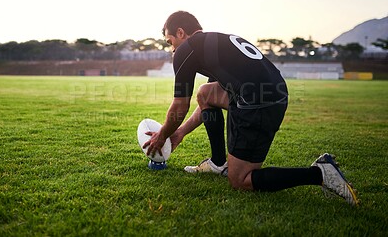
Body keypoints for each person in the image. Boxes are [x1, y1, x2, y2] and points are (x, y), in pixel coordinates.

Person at [144, 11, 359, 205]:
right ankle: (218, 163)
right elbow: (205, 101)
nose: (171, 49)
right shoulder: (214, 42)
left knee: (240, 180)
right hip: (270, 94)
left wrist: (163, 134)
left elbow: (180, 105)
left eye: (170, 41)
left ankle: (319, 173)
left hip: (259, 103)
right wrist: (179, 133)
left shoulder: (186, 51)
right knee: (205, 92)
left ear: (180, 32)